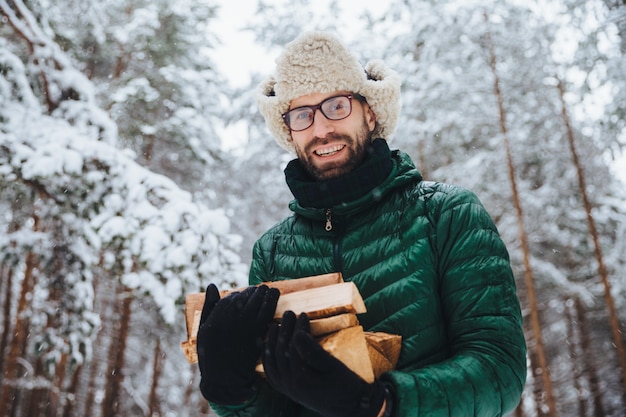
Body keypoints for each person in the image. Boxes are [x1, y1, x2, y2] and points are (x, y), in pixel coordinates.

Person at [196, 31, 527, 417]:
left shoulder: (447, 215)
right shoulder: (271, 251)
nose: (320, 129)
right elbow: (276, 406)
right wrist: (231, 390)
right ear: (289, 131)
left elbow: (498, 371)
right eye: (302, 115)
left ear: (369, 112)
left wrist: (381, 404)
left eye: (336, 105)